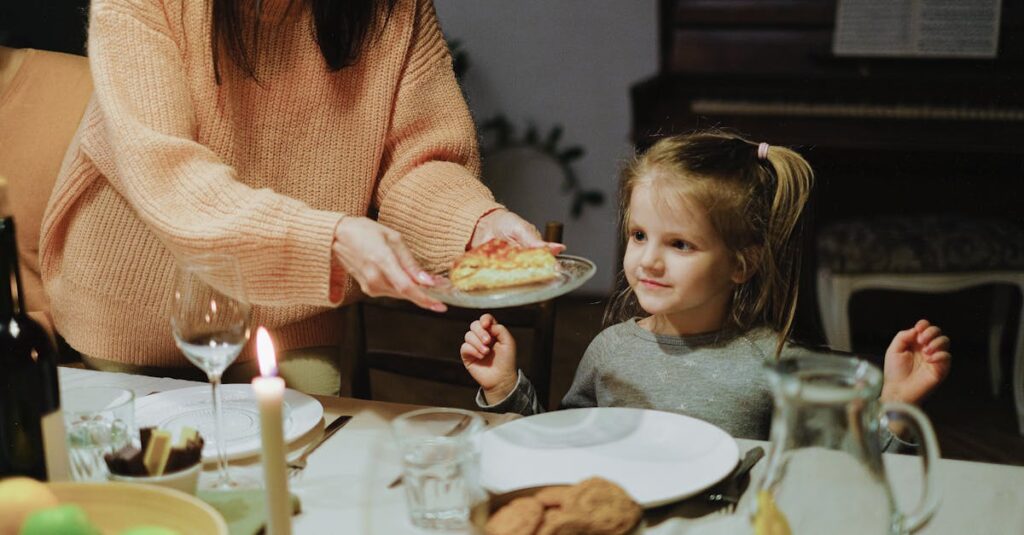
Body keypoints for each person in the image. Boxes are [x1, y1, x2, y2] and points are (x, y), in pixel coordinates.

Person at [39, 0, 558, 394]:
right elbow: (166, 174)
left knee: (309, 476)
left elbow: (417, 164)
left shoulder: (395, 10)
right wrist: (327, 239)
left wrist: (475, 224)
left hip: (291, 312)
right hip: (133, 306)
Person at [459, 131, 951, 441]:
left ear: (741, 264)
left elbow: (843, 465)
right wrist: (504, 385)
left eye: (680, 244)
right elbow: (559, 444)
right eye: (638, 235)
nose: (648, 259)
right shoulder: (609, 349)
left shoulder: (772, 362)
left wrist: (895, 404)